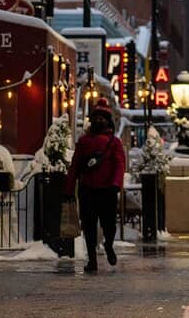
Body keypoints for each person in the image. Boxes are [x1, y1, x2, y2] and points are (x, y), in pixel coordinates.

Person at [65, 97, 126, 274]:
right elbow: (75, 166)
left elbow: (119, 164)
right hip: (88, 189)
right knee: (89, 226)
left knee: (109, 225)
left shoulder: (114, 143)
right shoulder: (84, 142)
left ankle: (108, 244)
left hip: (107, 190)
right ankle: (92, 259)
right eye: (97, 117)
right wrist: (69, 189)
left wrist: (115, 184)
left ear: (108, 120)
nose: (99, 120)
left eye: (103, 117)